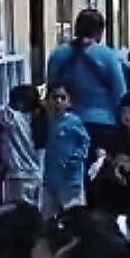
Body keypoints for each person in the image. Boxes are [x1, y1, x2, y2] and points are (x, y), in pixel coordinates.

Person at [45, 10, 130, 154]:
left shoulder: (58, 54)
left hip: (67, 122)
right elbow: (120, 93)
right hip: (104, 123)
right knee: (101, 165)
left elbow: (52, 86)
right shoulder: (108, 56)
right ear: (100, 31)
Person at [42, 85, 92, 214]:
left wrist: (77, 157)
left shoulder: (74, 121)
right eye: (54, 97)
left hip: (70, 178)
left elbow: (85, 141)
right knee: (48, 214)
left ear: (69, 102)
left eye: (62, 98)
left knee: (73, 215)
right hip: (50, 177)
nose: (58, 101)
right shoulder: (46, 122)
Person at [0, 85, 44, 207]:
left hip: (19, 177)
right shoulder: (38, 120)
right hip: (36, 176)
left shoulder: (15, 119)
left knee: (18, 213)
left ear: (20, 103)